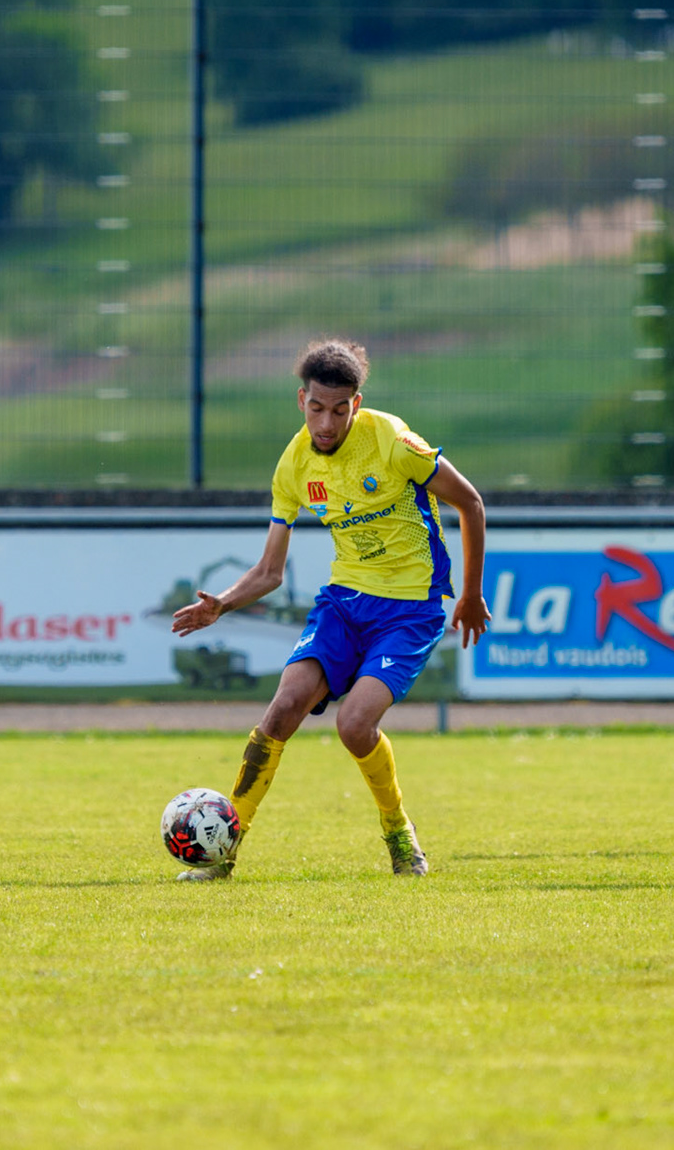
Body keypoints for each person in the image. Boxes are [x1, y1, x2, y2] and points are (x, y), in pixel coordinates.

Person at [170, 340, 489, 880]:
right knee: (282, 709)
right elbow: (270, 571)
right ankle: (223, 853)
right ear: (301, 400)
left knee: (354, 725)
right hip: (343, 603)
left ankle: (398, 832)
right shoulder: (293, 465)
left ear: (356, 404)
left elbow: (471, 503)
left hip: (410, 610)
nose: (326, 422)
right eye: (317, 407)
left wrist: (471, 594)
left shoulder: (392, 441)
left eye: (340, 410)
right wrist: (222, 603)